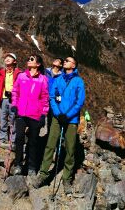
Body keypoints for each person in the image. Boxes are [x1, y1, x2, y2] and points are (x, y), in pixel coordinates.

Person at [33, 57, 86, 195]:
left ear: (74, 65)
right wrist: (57, 113)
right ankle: (43, 174)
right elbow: (52, 96)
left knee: (70, 148)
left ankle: (67, 178)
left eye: (68, 60)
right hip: (57, 118)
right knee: (51, 145)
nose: (65, 62)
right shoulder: (59, 79)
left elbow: (79, 101)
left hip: (72, 119)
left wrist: (67, 115)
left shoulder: (78, 81)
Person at [10, 54, 49, 175]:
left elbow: (45, 98)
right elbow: (15, 91)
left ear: (38, 64)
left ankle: (32, 166)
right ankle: (18, 164)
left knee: (33, 141)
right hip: (21, 113)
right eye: (28, 59)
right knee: (19, 139)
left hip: (35, 115)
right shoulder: (21, 76)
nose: (28, 60)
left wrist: (43, 114)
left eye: (32, 59)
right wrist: (14, 105)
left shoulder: (43, 79)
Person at [0, 53, 21, 143]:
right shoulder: (1, 72)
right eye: (6, 58)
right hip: (3, 98)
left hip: (14, 99)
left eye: (10, 57)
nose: (7, 59)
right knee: (3, 117)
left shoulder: (19, 73)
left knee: (13, 118)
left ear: (14, 61)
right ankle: (3, 137)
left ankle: (13, 138)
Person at [40, 58, 64, 135]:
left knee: (51, 119)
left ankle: (49, 136)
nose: (55, 60)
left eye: (58, 61)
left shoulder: (62, 76)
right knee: (40, 117)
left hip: (53, 100)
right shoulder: (45, 72)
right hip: (43, 98)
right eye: (55, 59)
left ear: (61, 65)